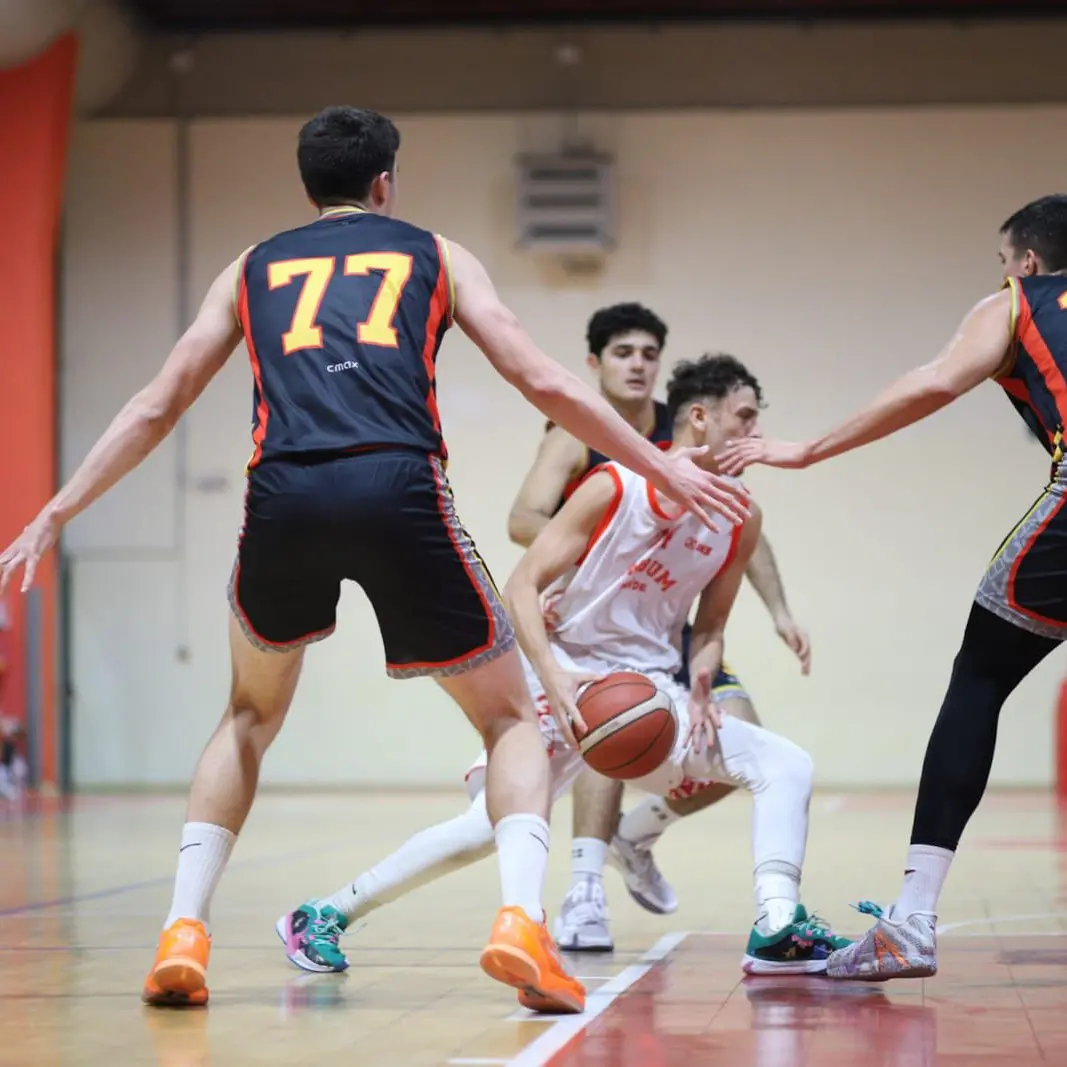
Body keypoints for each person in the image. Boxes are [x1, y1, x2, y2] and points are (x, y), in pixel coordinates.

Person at [0, 106, 749, 1013]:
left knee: (245, 715)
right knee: (512, 720)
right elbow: (543, 379)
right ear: (386, 181)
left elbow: (158, 405)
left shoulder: (250, 267)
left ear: (307, 187)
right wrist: (656, 456)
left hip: (283, 493)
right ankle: (520, 922)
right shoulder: (434, 252)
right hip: (397, 485)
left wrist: (55, 508)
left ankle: (183, 932)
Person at [277, 354, 848, 977]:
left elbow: (708, 627)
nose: (756, 436)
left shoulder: (740, 516)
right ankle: (325, 913)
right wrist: (552, 678)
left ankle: (775, 924)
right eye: (744, 419)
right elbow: (521, 586)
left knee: (784, 764)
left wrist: (704, 681)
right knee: (485, 828)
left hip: (646, 689)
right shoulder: (616, 485)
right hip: (564, 674)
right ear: (699, 418)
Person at [716, 193, 1067, 981]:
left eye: (1005, 263)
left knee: (978, 678)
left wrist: (806, 449)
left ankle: (911, 919)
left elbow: (936, 381)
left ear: (1029, 263)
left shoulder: (1019, 303)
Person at [508, 310, 811, 951]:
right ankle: (585, 886)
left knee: (740, 736)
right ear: (595, 365)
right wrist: (599, 559)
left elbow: (739, 533)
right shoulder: (580, 435)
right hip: (600, 622)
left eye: (650, 352)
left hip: (671, 621)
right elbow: (523, 519)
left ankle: (634, 835)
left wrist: (779, 609)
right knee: (617, 721)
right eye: (623, 353)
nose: (639, 364)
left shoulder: (692, 432)